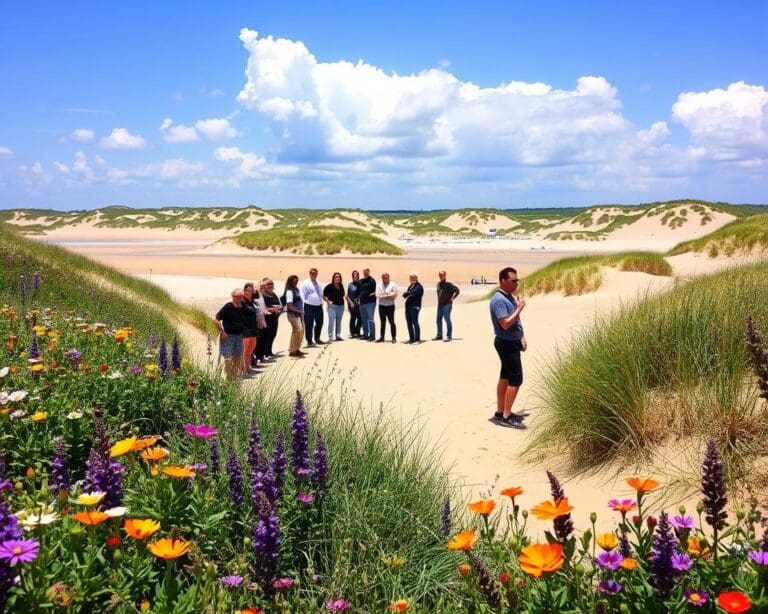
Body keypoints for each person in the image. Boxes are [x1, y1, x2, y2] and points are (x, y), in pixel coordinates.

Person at [489, 266, 527, 429]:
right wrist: (519, 308)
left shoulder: (509, 297)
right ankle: (506, 416)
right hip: (506, 343)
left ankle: (500, 412)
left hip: (512, 341)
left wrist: (522, 336)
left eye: (517, 281)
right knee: (516, 379)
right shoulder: (498, 300)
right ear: (503, 281)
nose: (516, 284)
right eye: (513, 281)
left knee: (505, 376)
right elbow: (505, 324)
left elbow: (516, 321)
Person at [215, 288, 246, 380]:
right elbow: (216, 319)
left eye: (241, 297)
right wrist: (222, 331)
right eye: (238, 297)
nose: (240, 299)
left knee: (237, 356)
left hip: (239, 336)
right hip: (228, 336)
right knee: (227, 357)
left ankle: (235, 376)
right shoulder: (228, 306)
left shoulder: (242, 307)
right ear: (233, 297)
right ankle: (229, 377)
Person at [241, 282, 263, 374]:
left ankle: (248, 366)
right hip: (245, 328)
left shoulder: (252, 301)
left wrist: (259, 322)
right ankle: (243, 368)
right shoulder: (242, 301)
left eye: (251, 290)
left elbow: (258, 294)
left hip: (253, 327)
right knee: (245, 350)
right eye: (247, 290)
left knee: (251, 348)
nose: (248, 292)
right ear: (244, 290)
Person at [300, 267, 325, 347]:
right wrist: (303, 306)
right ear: (310, 273)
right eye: (312, 273)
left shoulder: (318, 282)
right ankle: (309, 341)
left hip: (318, 306)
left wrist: (322, 301)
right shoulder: (305, 283)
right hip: (309, 306)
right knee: (309, 324)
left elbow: (321, 293)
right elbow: (302, 294)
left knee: (320, 322)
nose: (314, 275)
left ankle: (317, 338)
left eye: (315, 273)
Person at [283, 275, 306, 358]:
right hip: (293, 315)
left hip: (299, 314)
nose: (296, 282)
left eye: (297, 280)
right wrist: (298, 311)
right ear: (290, 281)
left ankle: (296, 349)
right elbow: (289, 305)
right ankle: (293, 350)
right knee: (298, 330)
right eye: (294, 281)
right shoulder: (289, 291)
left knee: (300, 331)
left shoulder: (296, 290)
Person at [434, 270, 460, 342]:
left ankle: (449, 335)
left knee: (447, 319)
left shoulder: (448, 284)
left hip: (447, 304)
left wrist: (452, 298)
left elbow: (457, 291)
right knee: (438, 319)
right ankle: (439, 335)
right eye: (439, 275)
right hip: (440, 305)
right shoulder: (438, 284)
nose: (440, 276)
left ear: (445, 276)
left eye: (442, 275)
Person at [260, 278, 282, 358]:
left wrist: (279, 309)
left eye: (272, 283)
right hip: (267, 319)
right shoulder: (263, 295)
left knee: (273, 334)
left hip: (275, 318)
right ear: (264, 285)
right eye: (269, 284)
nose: (271, 285)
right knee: (266, 336)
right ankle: (264, 353)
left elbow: (279, 304)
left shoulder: (274, 294)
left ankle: (269, 351)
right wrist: (275, 309)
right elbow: (263, 308)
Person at [375, 272, 398, 343]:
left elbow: (394, 295)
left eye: (385, 277)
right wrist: (388, 295)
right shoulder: (379, 285)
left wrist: (384, 295)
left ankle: (393, 337)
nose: (384, 279)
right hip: (381, 306)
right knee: (382, 322)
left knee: (391, 322)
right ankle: (382, 337)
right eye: (383, 277)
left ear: (388, 277)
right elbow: (377, 295)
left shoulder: (393, 284)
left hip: (390, 306)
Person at [324, 272, 346, 341]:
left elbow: (343, 295)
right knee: (331, 321)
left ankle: (338, 335)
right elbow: (324, 295)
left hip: (341, 306)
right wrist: (328, 301)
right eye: (336, 276)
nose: (337, 278)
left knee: (339, 321)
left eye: (339, 277)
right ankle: (330, 336)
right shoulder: (329, 286)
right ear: (333, 278)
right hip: (332, 307)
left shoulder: (341, 286)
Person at [402, 272, 424, 344]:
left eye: (413, 277)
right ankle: (411, 339)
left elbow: (414, 293)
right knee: (409, 323)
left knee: (415, 322)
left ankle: (417, 339)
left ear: (416, 278)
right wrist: (407, 293)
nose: (411, 279)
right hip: (408, 307)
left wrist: (407, 293)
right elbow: (406, 295)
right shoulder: (411, 285)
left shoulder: (419, 286)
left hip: (415, 307)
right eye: (410, 277)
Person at [358, 267, 377, 341]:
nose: (365, 272)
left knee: (370, 319)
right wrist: (359, 299)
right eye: (364, 271)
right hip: (362, 303)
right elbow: (359, 290)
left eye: (366, 271)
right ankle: (365, 334)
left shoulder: (372, 281)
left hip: (370, 303)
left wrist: (370, 295)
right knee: (363, 319)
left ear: (369, 272)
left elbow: (374, 291)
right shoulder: (361, 281)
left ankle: (372, 336)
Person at [346, 270, 362, 337]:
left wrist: (359, 300)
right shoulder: (350, 284)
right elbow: (347, 295)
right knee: (353, 318)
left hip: (359, 304)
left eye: (357, 274)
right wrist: (350, 303)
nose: (356, 276)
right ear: (353, 276)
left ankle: (357, 332)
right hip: (351, 304)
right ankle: (352, 333)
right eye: (355, 275)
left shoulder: (361, 284)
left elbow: (362, 293)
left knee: (360, 318)